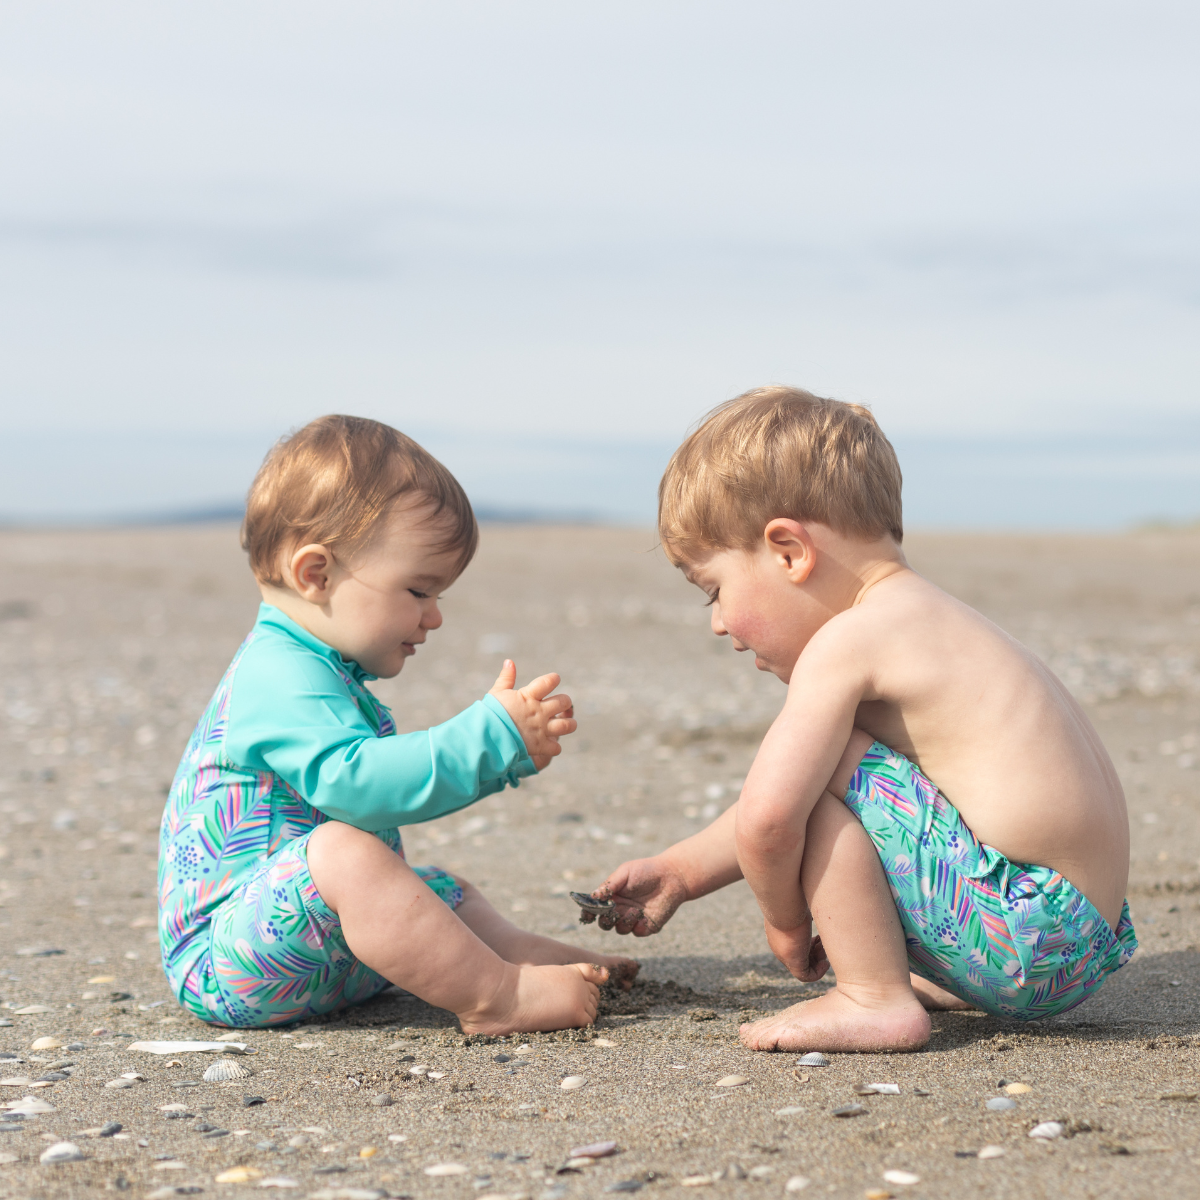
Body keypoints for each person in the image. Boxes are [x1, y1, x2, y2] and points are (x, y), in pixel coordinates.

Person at [582, 386, 1136, 1052]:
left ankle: (873, 996)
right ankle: (932, 977)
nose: (719, 624)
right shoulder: (941, 622)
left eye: (715, 590)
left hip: (1021, 931)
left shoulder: (848, 642)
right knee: (842, 766)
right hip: (1085, 938)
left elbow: (770, 817)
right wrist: (682, 870)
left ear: (788, 551)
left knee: (829, 768)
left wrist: (784, 922)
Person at [159, 415, 636, 1032]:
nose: (433, 617)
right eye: (417, 591)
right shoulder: (277, 674)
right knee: (347, 856)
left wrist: (505, 755)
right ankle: (500, 997)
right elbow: (361, 788)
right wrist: (488, 739)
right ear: (316, 574)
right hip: (228, 964)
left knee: (438, 888)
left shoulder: (319, 669)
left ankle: (520, 956)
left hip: (312, 953)